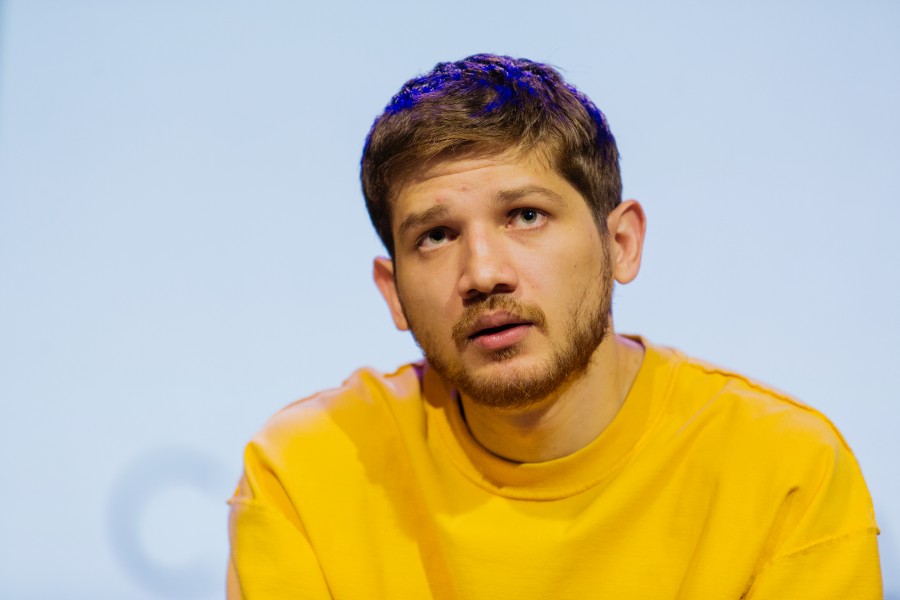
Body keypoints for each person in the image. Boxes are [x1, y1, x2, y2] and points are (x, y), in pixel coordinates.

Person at [227, 54, 882, 599]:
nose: (483, 273)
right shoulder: (307, 473)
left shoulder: (783, 472)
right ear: (392, 291)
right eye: (436, 235)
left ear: (621, 243)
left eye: (526, 216)